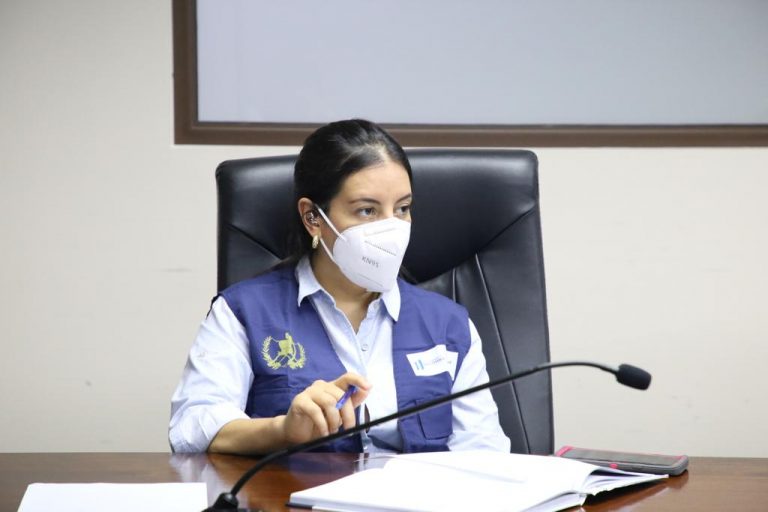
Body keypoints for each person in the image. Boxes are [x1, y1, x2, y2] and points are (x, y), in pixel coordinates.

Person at [169, 119, 510, 454]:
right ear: (312, 217)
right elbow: (192, 428)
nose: (391, 228)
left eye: (402, 208)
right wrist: (282, 430)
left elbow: (484, 451)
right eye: (367, 211)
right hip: (295, 490)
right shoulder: (243, 312)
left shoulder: (449, 325)